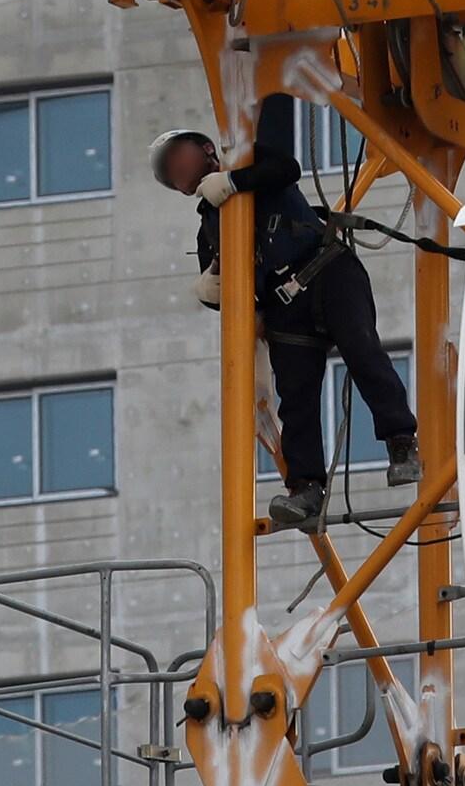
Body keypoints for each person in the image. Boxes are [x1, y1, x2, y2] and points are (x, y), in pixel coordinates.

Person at [150, 100, 421, 530]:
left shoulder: (250, 161)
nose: (175, 171)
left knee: (364, 353)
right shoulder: (210, 224)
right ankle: (306, 488)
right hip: (284, 306)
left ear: (205, 148)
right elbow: (218, 287)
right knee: (295, 397)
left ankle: (401, 442)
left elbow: (287, 170)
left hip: (326, 270)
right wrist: (212, 285)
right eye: (170, 174)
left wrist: (236, 180)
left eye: (176, 158)